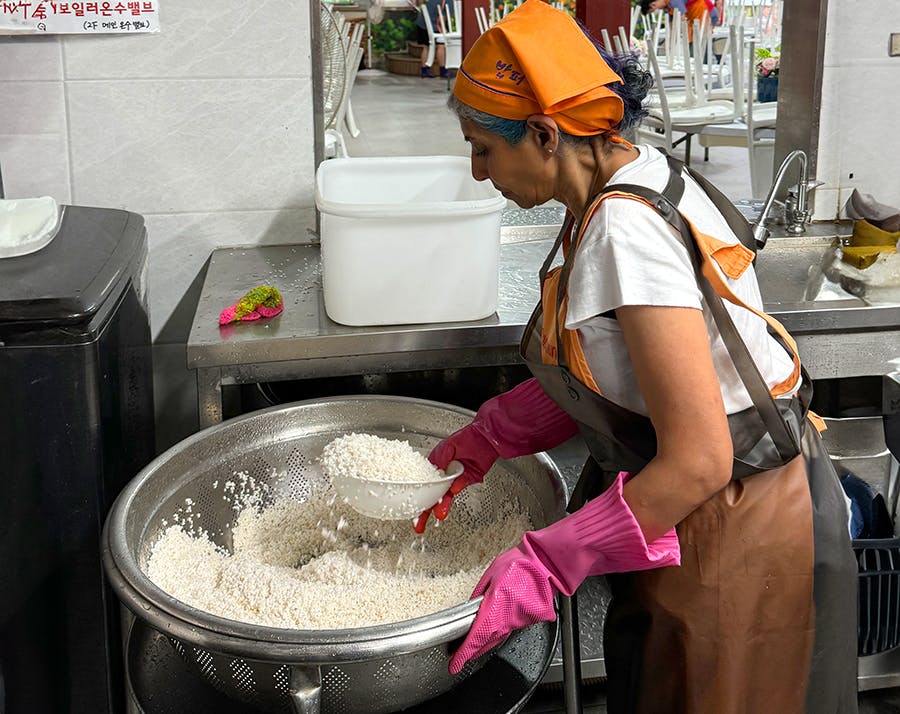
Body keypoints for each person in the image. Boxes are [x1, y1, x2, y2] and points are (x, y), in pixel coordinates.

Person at [413, 1, 859, 712]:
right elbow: (632, 368)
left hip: (736, 529)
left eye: (482, 148)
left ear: (543, 134)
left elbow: (701, 458)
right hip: (704, 517)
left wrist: (548, 560)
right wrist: (495, 431)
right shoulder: (630, 175)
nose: (476, 171)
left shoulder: (626, 229)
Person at [415, 0, 449, 78]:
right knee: (441, 45)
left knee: (425, 47)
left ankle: (424, 71)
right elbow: (443, 19)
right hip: (434, 25)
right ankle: (443, 71)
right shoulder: (448, 1)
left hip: (421, 23)